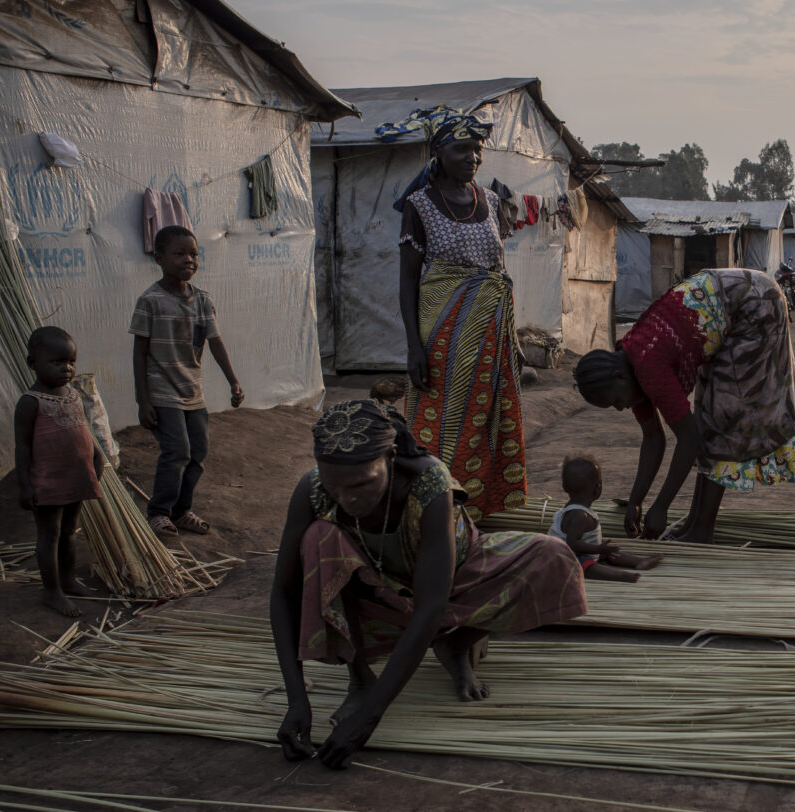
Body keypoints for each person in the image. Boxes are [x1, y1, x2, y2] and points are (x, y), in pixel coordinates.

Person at [270, 400, 586, 769]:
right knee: (317, 539)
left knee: (554, 557)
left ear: (390, 456)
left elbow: (431, 606)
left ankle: (457, 643)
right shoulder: (312, 490)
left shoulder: (430, 483)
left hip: (456, 581)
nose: (348, 498)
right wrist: (297, 702)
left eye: (361, 483)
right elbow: (284, 592)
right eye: (334, 487)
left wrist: (371, 717)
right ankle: (360, 678)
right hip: (376, 591)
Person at [572, 268, 795, 544]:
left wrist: (660, 507)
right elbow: (653, 439)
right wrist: (636, 501)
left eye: (616, 402)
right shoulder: (630, 367)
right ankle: (695, 522)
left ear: (618, 377)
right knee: (710, 418)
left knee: (723, 422)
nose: (620, 408)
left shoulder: (648, 367)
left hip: (754, 304)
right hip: (729, 310)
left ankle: (702, 529)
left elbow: (689, 439)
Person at [388, 106, 525, 521]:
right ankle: (434, 507)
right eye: (463, 149)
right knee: (442, 418)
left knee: (487, 418)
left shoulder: (490, 199)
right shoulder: (420, 204)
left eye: (478, 150)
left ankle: (481, 507)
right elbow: (409, 280)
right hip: (443, 333)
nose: (473, 158)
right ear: (438, 151)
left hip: (490, 331)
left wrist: (514, 341)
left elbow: (499, 271)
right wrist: (413, 346)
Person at [130, 225, 243, 538]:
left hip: (193, 392)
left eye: (193, 253)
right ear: (159, 258)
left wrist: (233, 381)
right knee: (176, 451)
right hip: (162, 392)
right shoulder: (150, 301)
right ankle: (158, 512)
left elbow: (216, 343)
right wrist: (143, 400)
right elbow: (139, 353)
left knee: (198, 453)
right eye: (179, 253)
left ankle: (181, 511)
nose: (189, 259)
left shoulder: (203, 301)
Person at [14, 326, 104, 617]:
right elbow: (23, 448)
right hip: (48, 482)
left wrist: (97, 458)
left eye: (71, 362)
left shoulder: (73, 395)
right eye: (57, 362)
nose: (67, 368)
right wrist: (25, 486)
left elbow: (83, 432)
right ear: (33, 363)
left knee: (69, 531)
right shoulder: (30, 402)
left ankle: (67, 579)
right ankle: (51, 591)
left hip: (75, 475)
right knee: (49, 534)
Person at [549, 456, 662, 582]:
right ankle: (621, 576)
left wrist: (599, 549)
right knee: (588, 566)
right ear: (598, 488)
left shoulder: (576, 509)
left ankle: (639, 562)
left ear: (565, 487)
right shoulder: (579, 515)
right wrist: (598, 549)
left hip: (584, 552)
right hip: (565, 558)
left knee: (610, 554)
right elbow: (573, 543)